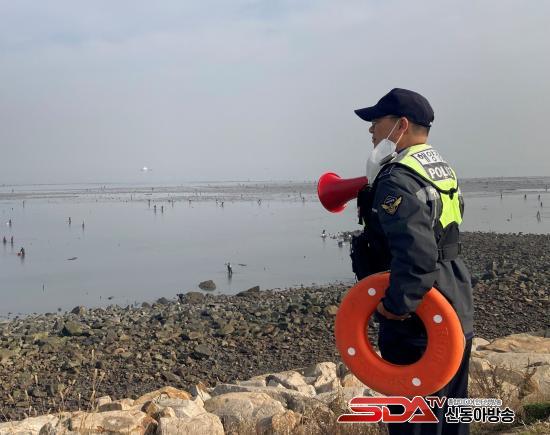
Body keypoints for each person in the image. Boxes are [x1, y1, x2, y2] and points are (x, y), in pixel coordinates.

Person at [351, 88, 474, 435]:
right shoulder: (440, 168)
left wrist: (395, 307)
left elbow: (417, 255)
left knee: (413, 420)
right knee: (452, 415)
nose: (371, 130)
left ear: (401, 125)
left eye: (377, 121)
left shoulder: (397, 179)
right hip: (455, 297)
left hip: (420, 317)